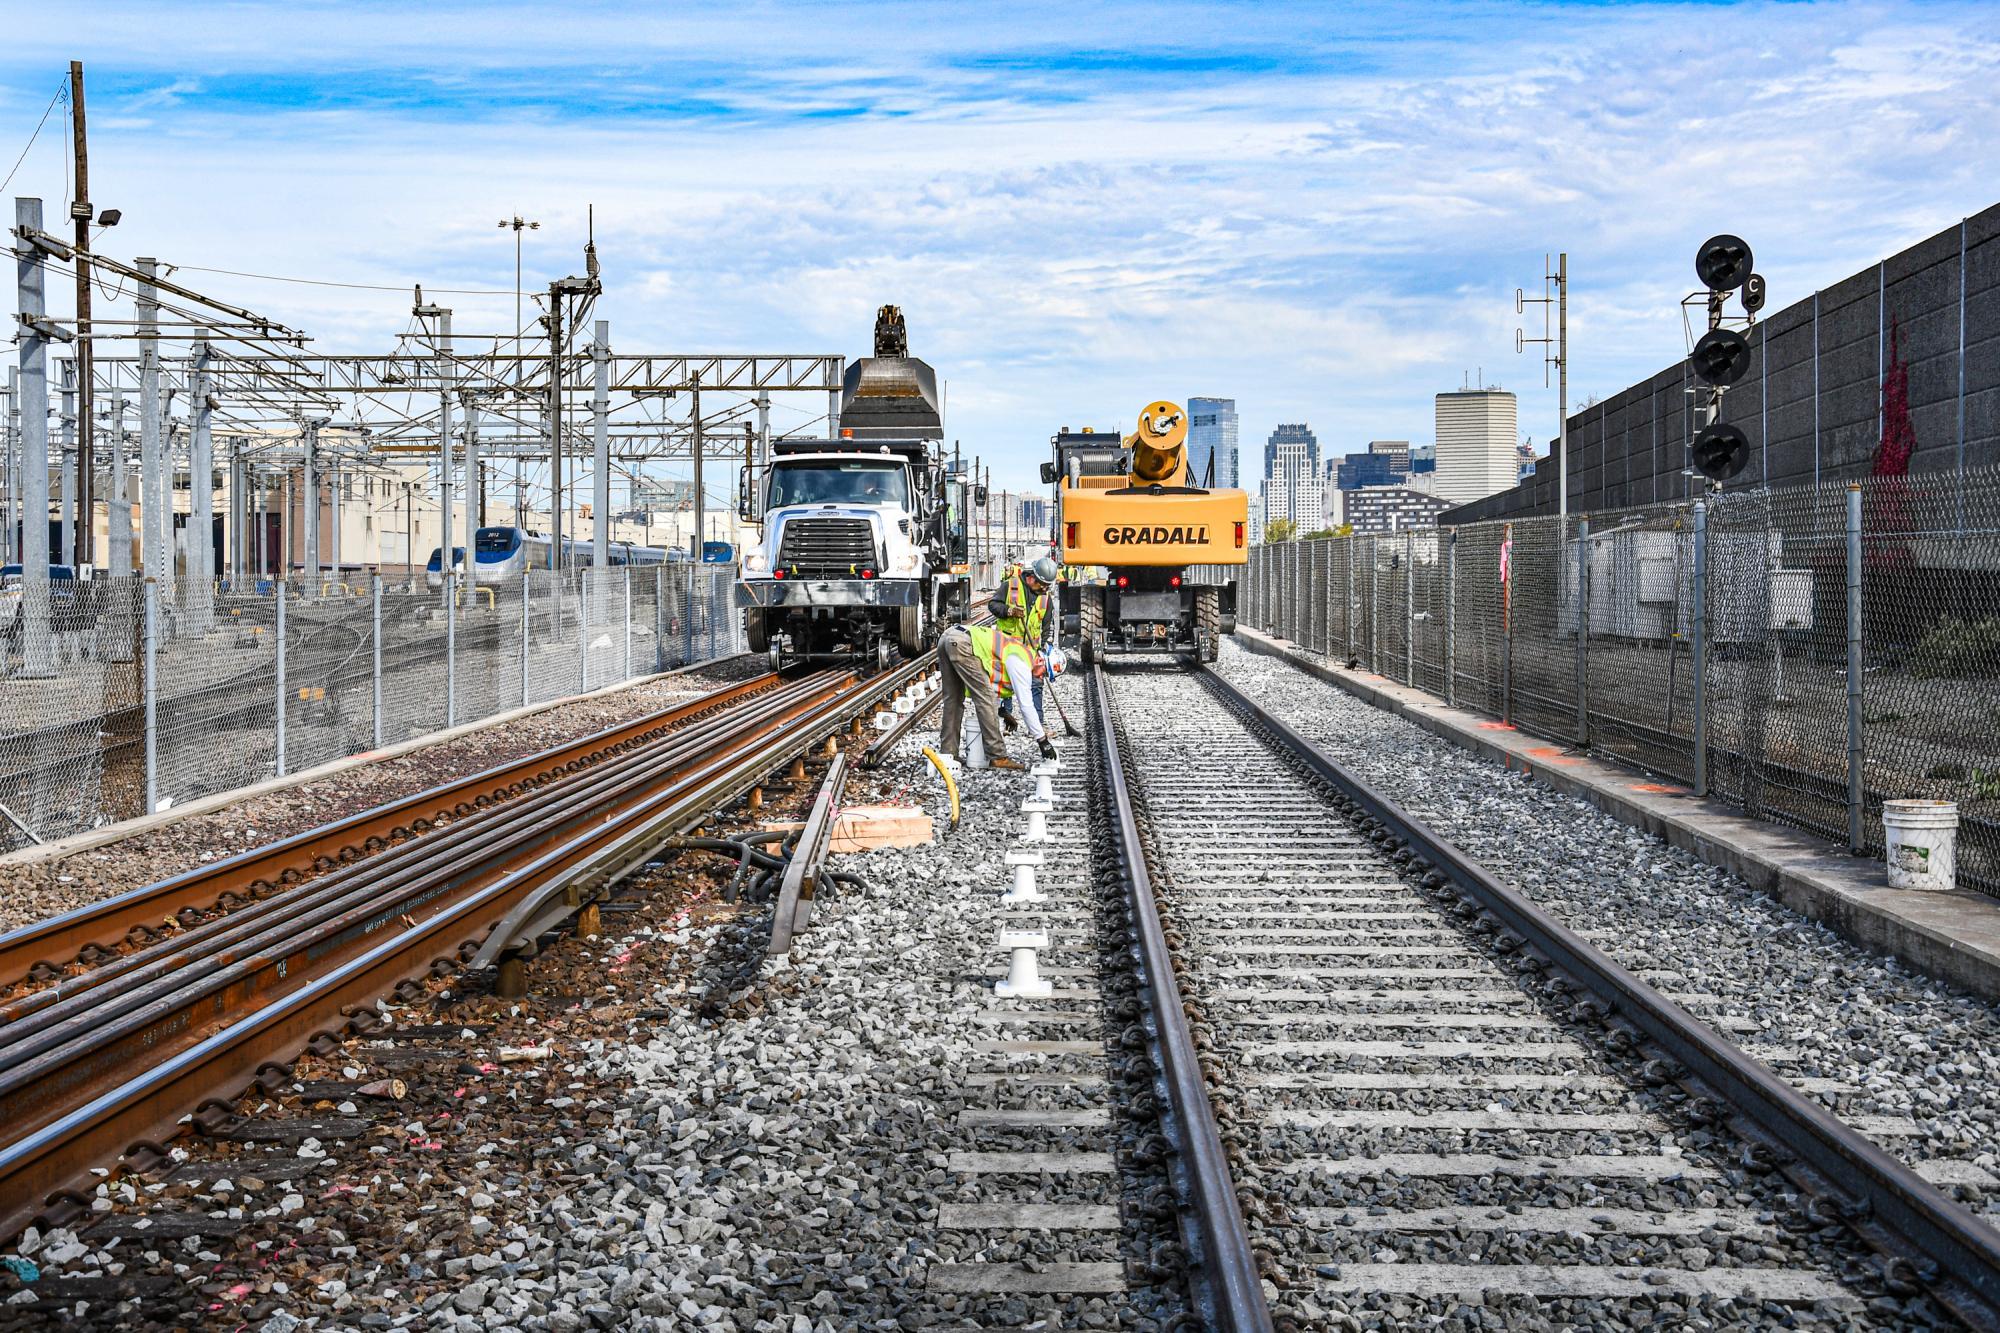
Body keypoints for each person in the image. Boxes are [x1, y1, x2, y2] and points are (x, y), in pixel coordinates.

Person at [935, 621, 1056, 771]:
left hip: (949, 637)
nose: (1040, 677)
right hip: (963, 644)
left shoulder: (1019, 652)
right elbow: (1026, 705)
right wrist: (1042, 740)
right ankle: (998, 756)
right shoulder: (1023, 662)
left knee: (953, 700)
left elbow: (990, 678)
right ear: (1040, 660)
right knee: (986, 700)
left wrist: (1002, 712)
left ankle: (948, 755)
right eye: (1043, 672)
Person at [993, 556, 1059, 732]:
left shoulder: (1045, 599)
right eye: (1042, 585)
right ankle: (1006, 721)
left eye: (1047, 586)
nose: (1045, 589)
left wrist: (1041, 649)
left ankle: (1038, 724)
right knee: (1005, 686)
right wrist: (1008, 611)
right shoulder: (1011, 586)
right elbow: (993, 605)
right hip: (1007, 648)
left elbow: (1046, 627)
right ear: (1032, 578)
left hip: (1030, 651)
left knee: (1036, 685)